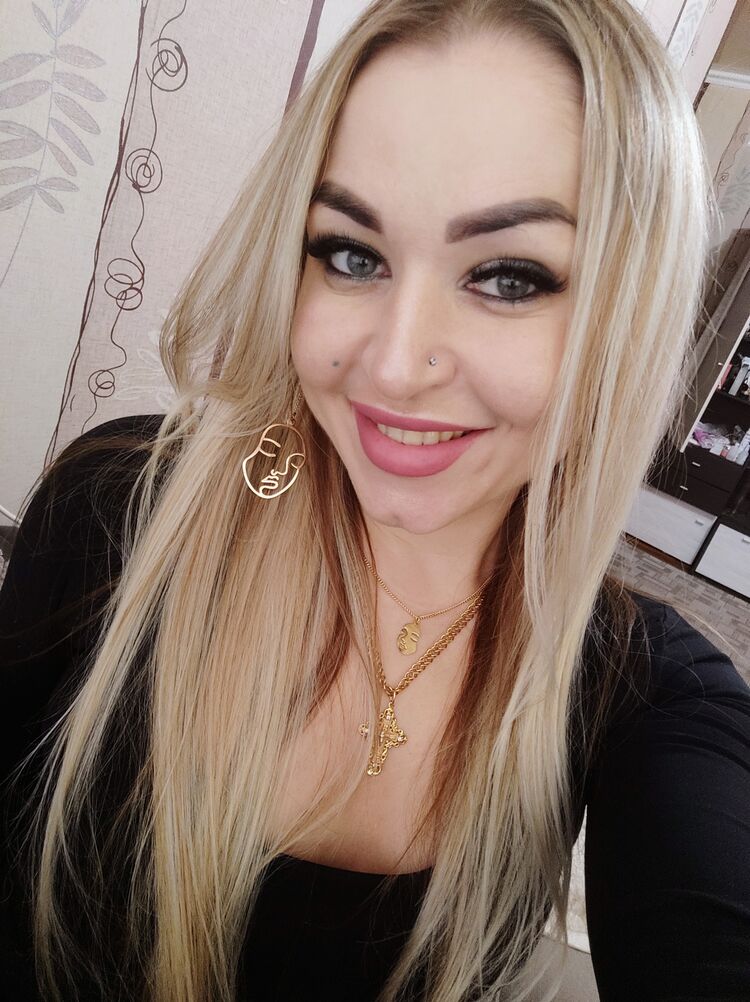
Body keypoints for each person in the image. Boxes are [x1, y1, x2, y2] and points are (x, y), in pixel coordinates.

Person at [2, 0, 749, 1000]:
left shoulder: (654, 692)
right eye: (352, 255)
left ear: (630, 313)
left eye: (510, 277)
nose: (394, 366)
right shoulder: (114, 510)